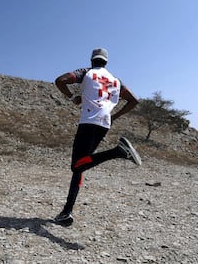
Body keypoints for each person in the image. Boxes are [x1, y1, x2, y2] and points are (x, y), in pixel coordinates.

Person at [54, 48, 141, 226]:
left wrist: (73, 97)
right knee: (83, 164)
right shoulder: (116, 81)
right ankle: (66, 212)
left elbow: (60, 81)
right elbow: (134, 101)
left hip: (88, 122)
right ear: (106, 62)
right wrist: (114, 116)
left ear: (92, 60)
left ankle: (118, 152)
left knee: (76, 165)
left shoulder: (86, 72)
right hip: (104, 124)